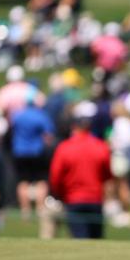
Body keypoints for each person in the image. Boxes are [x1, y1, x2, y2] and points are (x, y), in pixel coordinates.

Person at [49, 102, 112, 239]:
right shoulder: (101, 147)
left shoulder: (64, 148)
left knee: (80, 239)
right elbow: (107, 175)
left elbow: (55, 177)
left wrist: (59, 194)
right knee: (95, 240)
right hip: (95, 199)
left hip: (73, 199)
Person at [10, 97, 55, 220]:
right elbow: (49, 134)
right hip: (37, 152)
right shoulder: (40, 115)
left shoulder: (17, 115)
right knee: (40, 180)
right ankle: (40, 208)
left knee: (23, 181)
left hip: (20, 152)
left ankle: (26, 210)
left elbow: (10, 130)